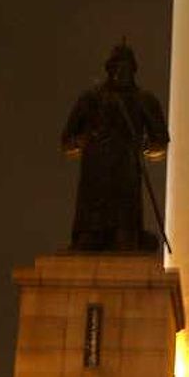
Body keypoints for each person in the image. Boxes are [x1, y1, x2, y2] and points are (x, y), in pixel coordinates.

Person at [61, 42, 169, 251]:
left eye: (127, 67)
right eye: (117, 67)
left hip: (125, 172)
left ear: (133, 70)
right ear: (109, 69)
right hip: (95, 174)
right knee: (88, 237)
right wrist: (82, 142)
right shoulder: (90, 99)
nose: (122, 72)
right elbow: (67, 139)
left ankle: (128, 236)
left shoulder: (144, 100)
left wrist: (146, 146)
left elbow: (160, 140)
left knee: (124, 235)